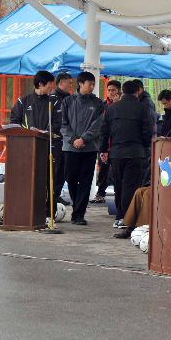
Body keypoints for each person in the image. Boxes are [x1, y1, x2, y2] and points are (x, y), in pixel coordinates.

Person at [114, 119, 171, 239]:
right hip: (169, 183)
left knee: (149, 194)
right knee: (140, 191)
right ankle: (129, 227)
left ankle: (145, 229)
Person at [100, 79, 154, 229]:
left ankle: (119, 216)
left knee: (118, 185)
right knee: (131, 186)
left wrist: (103, 150)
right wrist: (144, 148)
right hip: (136, 153)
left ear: (122, 92)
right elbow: (148, 132)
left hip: (116, 153)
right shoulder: (143, 109)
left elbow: (104, 132)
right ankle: (127, 218)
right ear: (137, 92)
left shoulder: (112, 108)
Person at [10, 71, 63, 217]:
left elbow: (58, 124)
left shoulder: (55, 101)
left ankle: (49, 214)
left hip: (49, 147)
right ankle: (27, 211)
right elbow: (14, 122)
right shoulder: (23, 101)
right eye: (50, 84)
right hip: (28, 149)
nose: (52, 87)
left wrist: (44, 131)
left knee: (49, 181)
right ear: (40, 84)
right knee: (28, 180)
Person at [61, 71, 106, 225]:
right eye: (90, 84)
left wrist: (84, 139)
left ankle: (79, 214)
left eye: (94, 84)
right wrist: (73, 139)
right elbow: (63, 124)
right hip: (70, 148)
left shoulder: (98, 103)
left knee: (86, 181)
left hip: (89, 148)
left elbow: (97, 125)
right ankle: (77, 206)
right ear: (80, 84)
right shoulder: (68, 101)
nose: (92, 87)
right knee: (71, 178)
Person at [92, 79, 121, 203]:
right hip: (104, 143)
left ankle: (118, 194)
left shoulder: (122, 107)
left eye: (113, 90)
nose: (110, 92)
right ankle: (100, 193)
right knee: (103, 169)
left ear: (119, 91)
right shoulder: (102, 106)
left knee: (116, 171)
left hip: (117, 145)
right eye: (109, 90)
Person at [51, 72, 74, 207]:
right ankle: (52, 196)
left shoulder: (70, 98)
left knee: (64, 170)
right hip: (56, 139)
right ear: (61, 82)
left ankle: (57, 194)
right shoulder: (53, 98)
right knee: (56, 169)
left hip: (68, 140)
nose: (71, 85)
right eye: (69, 83)